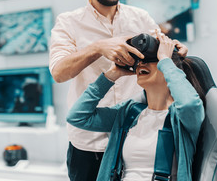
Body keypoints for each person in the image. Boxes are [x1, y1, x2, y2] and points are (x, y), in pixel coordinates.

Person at [49, 0, 188, 180]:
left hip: (132, 138)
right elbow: (59, 73)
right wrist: (97, 47)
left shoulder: (140, 17)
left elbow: (161, 50)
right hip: (88, 145)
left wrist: (175, 48)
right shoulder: (68, 23)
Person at [66, 32, 205, 180]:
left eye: (151, 59)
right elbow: (78, 116)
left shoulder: (181, 118)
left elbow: (189, 104)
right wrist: (111, 75)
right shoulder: (129, 113)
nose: (141, 64)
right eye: (138, 61)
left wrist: (165, 59)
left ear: (169, 68)